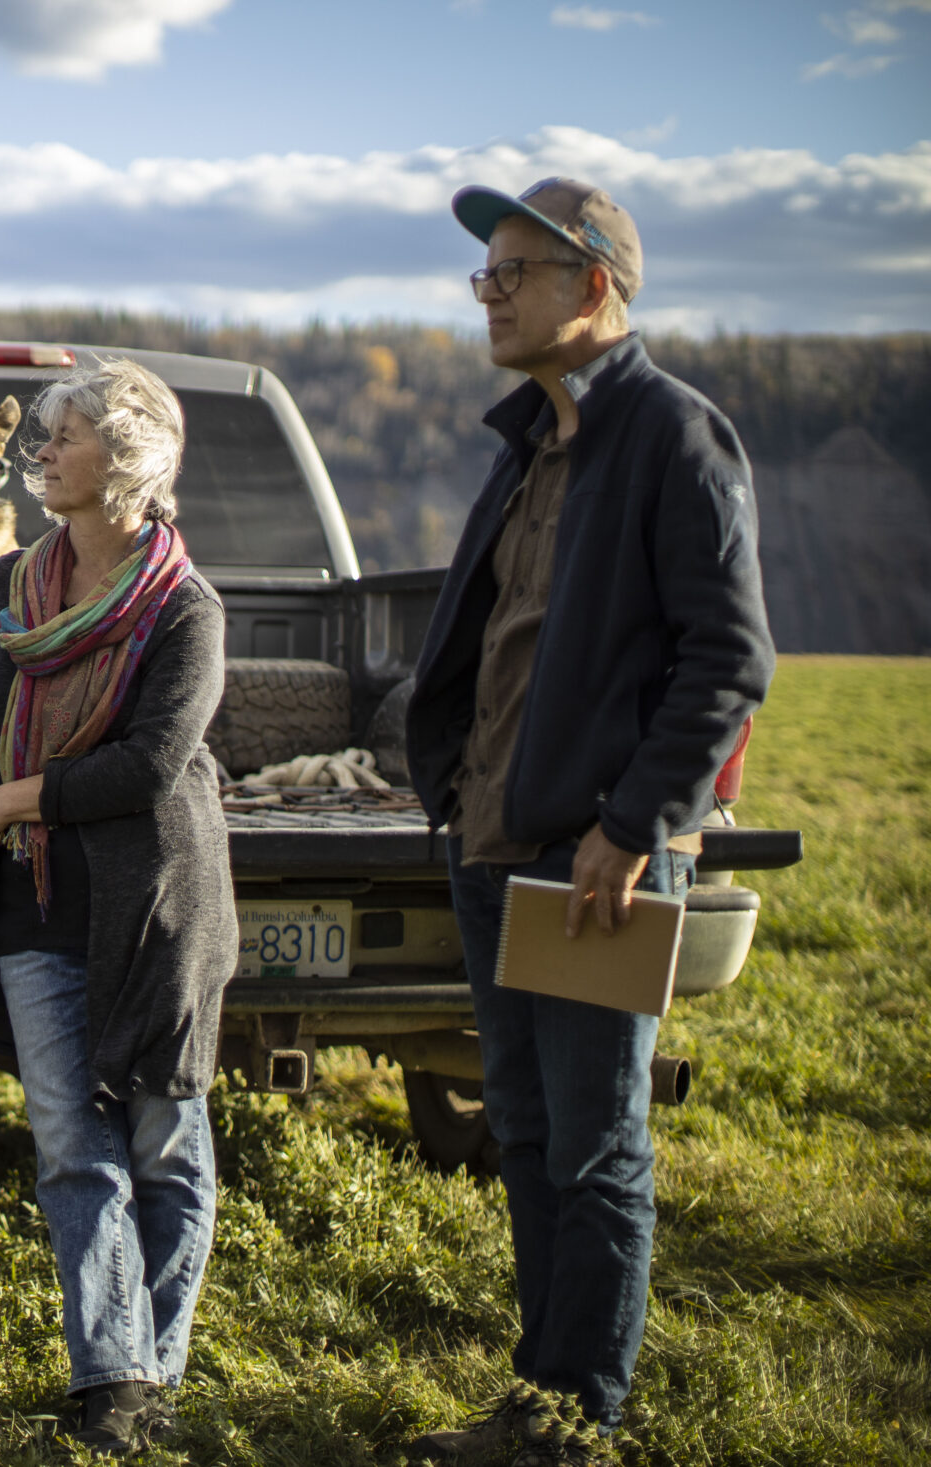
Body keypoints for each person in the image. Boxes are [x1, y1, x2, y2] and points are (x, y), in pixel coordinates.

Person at [404, 180, 774, 1462]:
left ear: (595, 288)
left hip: (598, 858)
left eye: (514, 269)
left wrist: (632, 826)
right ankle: (539, 1399)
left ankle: (572, 1418)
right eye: (483, 273)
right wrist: (453, 796)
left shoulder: (675, 436)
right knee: (522, 1127)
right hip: (496, 842)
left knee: (594, 1143)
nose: (486, 291)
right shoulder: (531, 446)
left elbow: (726, 662)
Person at [0, 359, 238, 1456]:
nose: (36, 451)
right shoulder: (10, 586)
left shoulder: (184, 607)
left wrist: (13, 798)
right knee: (73, 1145)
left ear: (122, 462)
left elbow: (150, 764)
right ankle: (114, 1380)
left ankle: (147, 1368)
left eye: (61, 436)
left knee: (165, 1137)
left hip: (151, 901)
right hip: (30, 899)